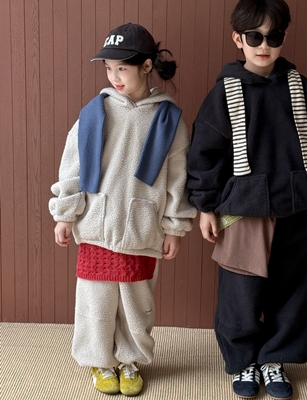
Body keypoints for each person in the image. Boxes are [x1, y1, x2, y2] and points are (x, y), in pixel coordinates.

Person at [187, 0, 307, 399]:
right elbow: (204, 153)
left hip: (302, 207)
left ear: (283, 37)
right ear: (237, 38)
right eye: (254, 37)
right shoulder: (225, 91)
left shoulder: (300, 86)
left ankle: (275, 359)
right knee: (240, 293)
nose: (264, 45)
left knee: (295, 289)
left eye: (274, 37)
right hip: (245, 210)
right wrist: (205, 206)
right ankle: (244, 361)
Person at [49, 23, 196, 396]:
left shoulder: (169, 120)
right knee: (96, 300)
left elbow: (178, 179)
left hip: (142, 228)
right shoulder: (94, 113)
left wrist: (175, 227)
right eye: (108, 68)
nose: (114, 77)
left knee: (135, 301)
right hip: (95, 224)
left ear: (146, 66)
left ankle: (130, 361)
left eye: (122, 68)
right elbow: (73, 168)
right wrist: (65, 215)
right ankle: (100, 361)